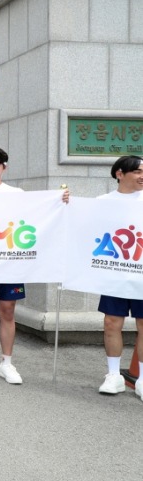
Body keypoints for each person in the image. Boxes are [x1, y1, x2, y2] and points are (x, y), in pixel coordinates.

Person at [0, 147, 68, 384]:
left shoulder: (17, 194)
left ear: (4, 168)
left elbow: (38, 212)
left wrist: (59, 202)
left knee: (8, 310)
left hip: (10, 262)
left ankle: (7, 363)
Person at [95, 156, 143, 399]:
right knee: (112, 323)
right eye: (137, 171)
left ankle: (142, 378)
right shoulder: (102, 202)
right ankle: (114, 375)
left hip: (141, 274)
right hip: (115, 272)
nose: (142, 176)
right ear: (120, 174)